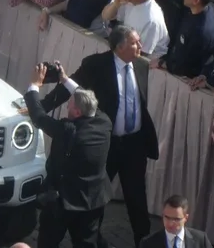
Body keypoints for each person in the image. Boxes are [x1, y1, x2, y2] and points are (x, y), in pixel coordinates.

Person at [40, 25, 159, 248]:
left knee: (137, 198)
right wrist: (41, 106)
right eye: (135, 43)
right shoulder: (96, 64)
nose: (140, 46)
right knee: (97, 198)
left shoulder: (141, 65)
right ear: (119, 47)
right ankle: (93, 239)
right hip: (106, 144)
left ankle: (142, 242)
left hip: (134, 145)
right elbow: (72, 87)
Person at [25, 62, 112, 248]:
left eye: (69, 105)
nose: (66, 107)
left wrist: (34, 85)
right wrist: (64, 79)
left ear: (78, 112)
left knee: (48, 243)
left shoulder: (68, 130)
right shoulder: (104, 122)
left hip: (63, 202)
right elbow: (85, 97)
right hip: (92, 201)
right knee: (87, 243)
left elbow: (39, 117)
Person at [100, 0, 170, 56]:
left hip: (148, 61)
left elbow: (141, 55)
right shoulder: (130, 0)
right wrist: (116, 4)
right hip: (127, 50)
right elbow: (105, 16)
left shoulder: (152, 20)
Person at [138, 195, 214, 248]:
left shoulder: (201, 240)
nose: (170, 223)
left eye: (176, 219)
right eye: (167, 217)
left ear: (186, 218)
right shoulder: (148, 243)